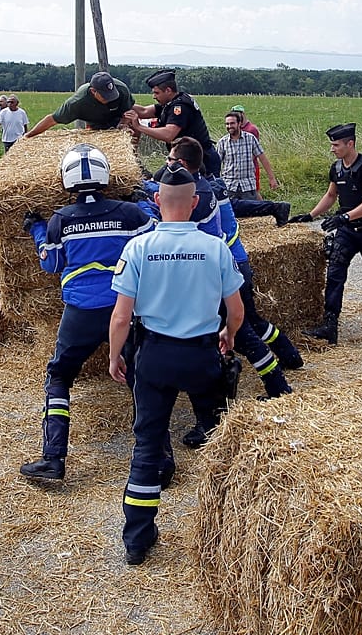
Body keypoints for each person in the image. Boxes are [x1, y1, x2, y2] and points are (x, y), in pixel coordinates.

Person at [108, 166, 244, 566]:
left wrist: (116, 355)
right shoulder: (215, 247)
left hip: (155, 355)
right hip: (202, 354)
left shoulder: (138, 248)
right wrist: (228, 335)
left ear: (156, 202)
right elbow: (235, 310)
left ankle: (137, 537)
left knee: (148, 445)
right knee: (220, 442)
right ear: (195, 203)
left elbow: (120, 317)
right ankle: (225, 528)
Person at [19, 145, 155, 485]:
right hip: (125, 308)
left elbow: (50, 263)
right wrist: (141, 201)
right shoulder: (129, 213)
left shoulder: (60, 220)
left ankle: (53, 458)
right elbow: (155, 236)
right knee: (141, 377)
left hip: (80, 312)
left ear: (66, 181)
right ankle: (158, 457)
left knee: (60, 377)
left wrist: (36, 228)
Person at [149, 136, 296, 449]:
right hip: (222, 269)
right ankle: (279, 380)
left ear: (183, 164)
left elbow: (168, 206)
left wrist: (145, 196)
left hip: (215, 274)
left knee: (238, 332)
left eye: (173, 160)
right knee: (244, 330)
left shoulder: (198, 193)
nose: (169, 164)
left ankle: (219, 413)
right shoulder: (208, 186)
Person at [292, 123, 362, 344]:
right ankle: (330, 323)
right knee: (334, 273)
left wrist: (345, 217)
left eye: (335, 145)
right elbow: (331, 196)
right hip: (346, 231)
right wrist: (310, 215)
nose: (332, 149)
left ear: (350, 144)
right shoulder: (336, 168)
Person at [124, 68, 220, 176]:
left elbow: (168, 134)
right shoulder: (169, 103)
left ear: (168, 90)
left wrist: (139, 127)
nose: (154, 96)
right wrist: (122, 104)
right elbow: (144, 111)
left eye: (157, 93)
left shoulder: (180, 107)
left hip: (200, 161)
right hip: (184, 157)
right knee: (158, 178)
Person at [24, 71, 135, 137]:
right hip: (95, 125)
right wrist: (29, 135)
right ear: (93, 91)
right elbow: (52, 119)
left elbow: (128, 111)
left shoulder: (122, 90)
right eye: (105, 96)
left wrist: (123, 124)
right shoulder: (77, 102)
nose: (109, 98)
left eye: (111, 94)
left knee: (134, 130)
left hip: (117, 118)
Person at [217, 110, 279, 200]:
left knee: (252, 213)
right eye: (227, 124)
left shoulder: (250, 139)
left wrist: (272, 178)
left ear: (239, 123)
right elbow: (216, 164)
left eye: (232, 123)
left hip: (248, 187)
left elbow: (263, 158)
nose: (229, 126)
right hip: (229, 187)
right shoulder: (222, 142)